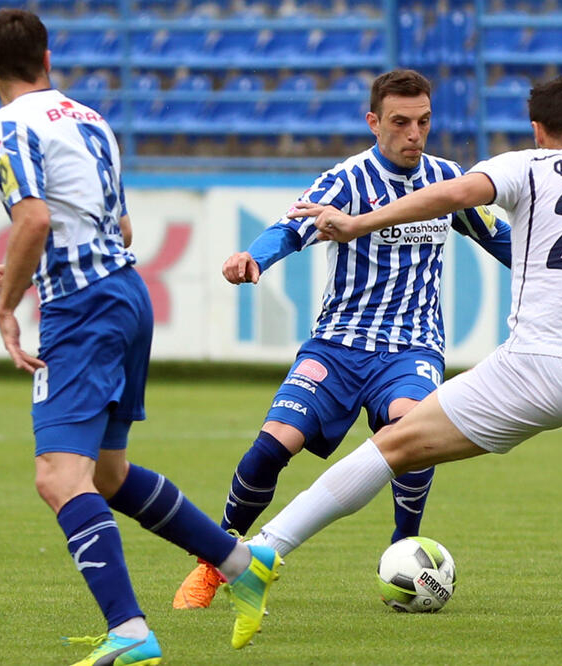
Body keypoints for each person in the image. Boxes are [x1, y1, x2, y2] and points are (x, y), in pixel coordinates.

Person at [241, 75, 562, 634]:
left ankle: (266, 549)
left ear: (538, 131)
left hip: (536, 367)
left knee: (392, 446)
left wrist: (362, 222)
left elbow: (454, 194)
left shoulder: (526, 165)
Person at [0, 9, 279, 660]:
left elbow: (30, 217)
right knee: (107, 474)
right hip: (126, 293)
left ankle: (131, 629)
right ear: (48, 59)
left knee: (59, 477)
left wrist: (8, 304)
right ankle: (237, 562)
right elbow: (120, 231)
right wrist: (36, 258)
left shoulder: (6, 124)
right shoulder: (90, 120)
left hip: (82, 308)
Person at [173, 69, 513, 610]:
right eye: (400, 123)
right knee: (270, 448)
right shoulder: (346, 181)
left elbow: (503, 241)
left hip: (413, 346)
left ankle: (405, 550)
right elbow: (291, 227)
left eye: (423, 122)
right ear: (373, 121)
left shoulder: (450, 181)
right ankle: (213, 563)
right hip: (337, 345)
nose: (413, 134)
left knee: (412, 425)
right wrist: (252, 258)